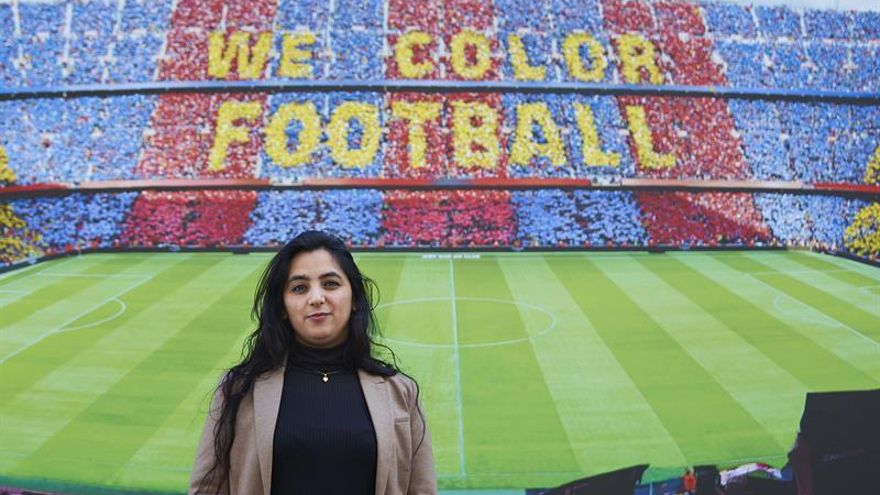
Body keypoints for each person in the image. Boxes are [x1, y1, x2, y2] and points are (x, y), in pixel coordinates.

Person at [189, 230, 436, 494]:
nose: (316, 298)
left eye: (330, 284)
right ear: (283, 307)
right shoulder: (239, 389)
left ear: (354, 298)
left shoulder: (400, 391)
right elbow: (207, 488)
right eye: (299, 288)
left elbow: (421, 489)